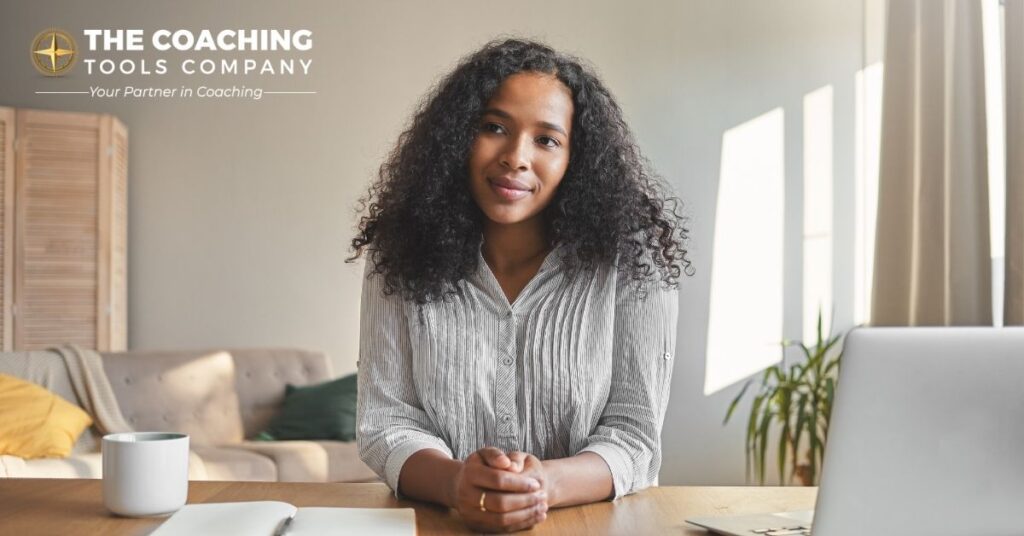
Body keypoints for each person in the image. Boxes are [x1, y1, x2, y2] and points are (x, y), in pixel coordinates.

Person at [349, 38, 691, 533]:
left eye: (547, 139)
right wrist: (454, 483)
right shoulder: (399, 253)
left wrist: (541, 487)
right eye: (494, 128)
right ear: (456, 137)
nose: (516, 157)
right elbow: (386, 422)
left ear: (578, 158)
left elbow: (634, 437)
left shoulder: (635, 262)